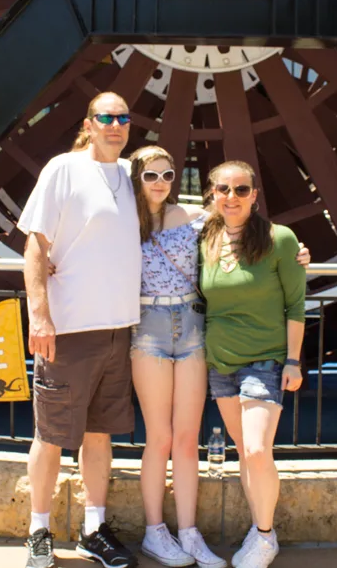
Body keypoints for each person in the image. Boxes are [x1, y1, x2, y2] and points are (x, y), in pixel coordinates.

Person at [125, 147, 310, 568]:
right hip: (157, 333)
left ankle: (197, 534)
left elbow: (277, 262)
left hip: (194, 334)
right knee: (162, 437)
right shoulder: (124, 222)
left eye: (168, 174)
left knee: (213, 443)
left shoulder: (199, 221)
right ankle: (157, 532)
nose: (159, 182)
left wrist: (299, 255)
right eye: (149, 175)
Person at [17, 92, 141, 568]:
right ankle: (39, 531)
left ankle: (93, 528)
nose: (115, 125)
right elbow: (35, 246)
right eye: (106, 117)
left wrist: (283, 248)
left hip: (118, 329)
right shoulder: (62, 169)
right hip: (69, 331)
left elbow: (181, 217)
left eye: (123, 117)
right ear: (89, 124)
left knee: (99, 435)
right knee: (49, 435)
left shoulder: (132, 176)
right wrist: (40, 317)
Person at [199, 161, 306, 568]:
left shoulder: (281, 240)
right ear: (212, 193)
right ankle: (258, 531)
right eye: (224, 189)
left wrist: (293, 361)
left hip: (265, 360)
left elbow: (296, 305)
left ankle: (264, 536)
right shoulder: (205, 240)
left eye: (241, 190)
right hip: (220, 363)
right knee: (245, 451)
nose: (232, 197)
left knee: (259, 449)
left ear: (254, 196)